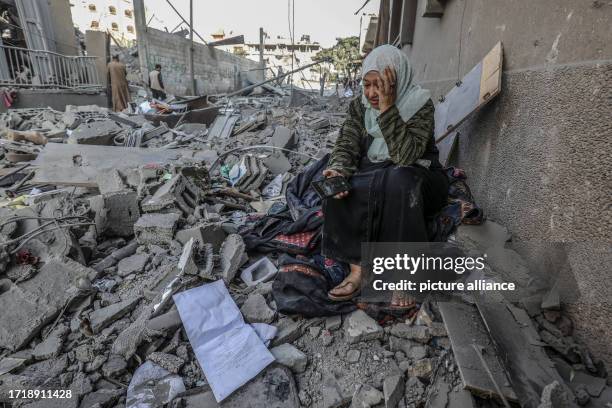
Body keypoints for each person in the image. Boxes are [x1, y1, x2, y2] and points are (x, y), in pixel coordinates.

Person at [322, 45, 448, 308]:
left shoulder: (419, 103)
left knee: (398, 183)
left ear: (395, 82)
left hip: (417, 170)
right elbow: (347, 143)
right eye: (366, 85)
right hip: (378, 166)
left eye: (379, 85)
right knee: (342, 187)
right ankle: (357, 270)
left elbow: (406, 156)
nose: (371, 93)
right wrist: (339, 169)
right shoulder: (360, 105)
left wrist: (389, 109)